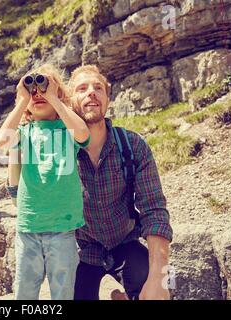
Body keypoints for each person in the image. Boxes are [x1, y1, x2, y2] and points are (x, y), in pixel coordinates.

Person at [68, 65, 173, 300]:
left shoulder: (132, 146)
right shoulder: (60, 153)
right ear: (70, 101)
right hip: (82, 252)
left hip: (125, 243)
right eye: (82, 88)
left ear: (108, 98)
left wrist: (159, 277)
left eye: (98, 88)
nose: (91, 93)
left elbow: (154, 211)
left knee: (160, 287)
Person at [0, 63, 91, 300]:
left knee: (62, 291)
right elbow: (2, 142)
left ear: (58, 93)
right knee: (25, 291)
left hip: (63, 228)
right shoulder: (25, 132)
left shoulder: (67, 129)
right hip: (28, 227)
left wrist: (55, 98)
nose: (38, 93)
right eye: (33, 89)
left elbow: (83, 133)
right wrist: (22, 99)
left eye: (45, 86)